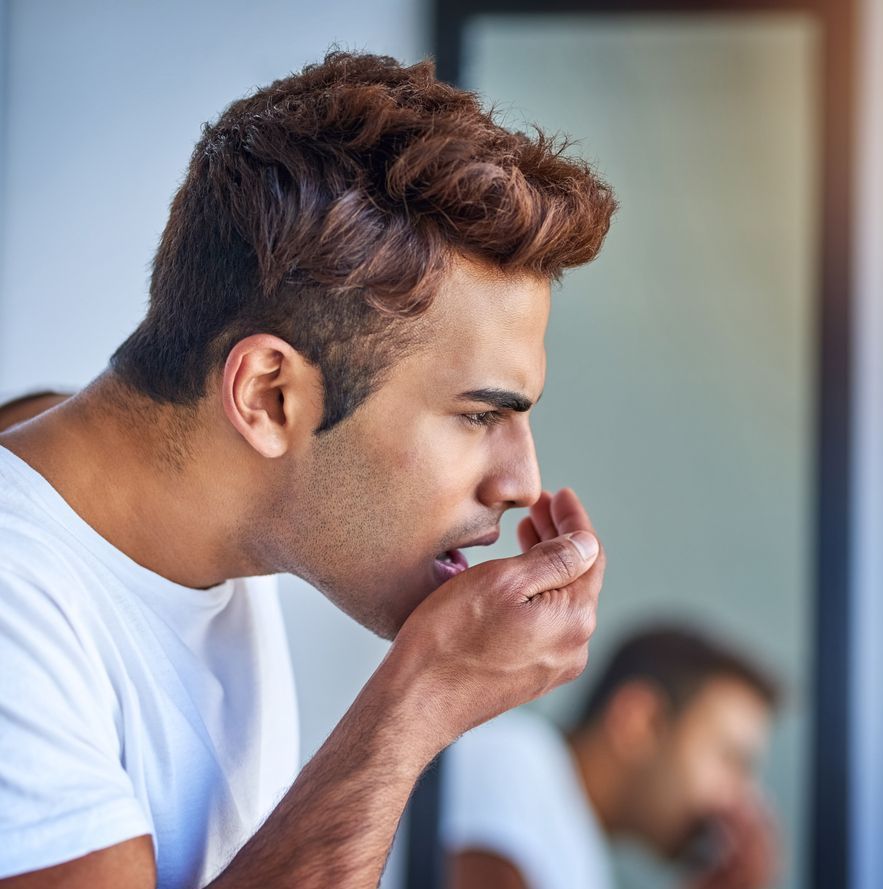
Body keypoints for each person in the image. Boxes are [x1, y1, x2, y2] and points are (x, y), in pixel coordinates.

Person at [0, 51, 617, 888]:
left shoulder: (207, 520)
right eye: (478, 415)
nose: (519, 482)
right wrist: (418, 702)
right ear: (269, 395)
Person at [444, 626, 781, 889]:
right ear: (639, 722)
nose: (742, 797)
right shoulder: (517, 759)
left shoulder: (582, 853)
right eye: (730, 760)